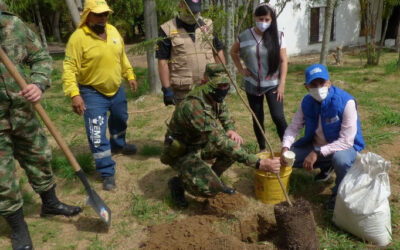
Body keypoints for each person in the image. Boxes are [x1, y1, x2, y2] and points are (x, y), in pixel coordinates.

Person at [0, 3, 82, 249]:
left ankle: (50, 203)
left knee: (40, 158)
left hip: (24, 113)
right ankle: (19, 228)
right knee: (3, 179)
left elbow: (41, 57)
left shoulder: (14, 25)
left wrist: (38, 83)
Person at [161, 63, 281, 208]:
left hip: (201, 143)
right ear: (206, 83)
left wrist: (231, 130)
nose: (223, 89)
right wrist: (259, 163)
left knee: (235, 145)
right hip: (182, 151)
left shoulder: (215, 97)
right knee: (209, 189)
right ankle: (178, 184)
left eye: (226, 85)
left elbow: (225, 117)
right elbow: (220, 141)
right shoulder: (194, 106)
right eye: (220, 85)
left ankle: (212, 176)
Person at [62, 0, 138, 191]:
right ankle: (107, 172)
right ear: (87, 15)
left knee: (121, 119)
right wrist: (74, 94)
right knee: (96, 133)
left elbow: (122, 57)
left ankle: (118, 144)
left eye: (105, 14)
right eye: (98, 14)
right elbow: (69, 68)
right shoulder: (78, 38)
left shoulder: (113, 31)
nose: (103, 18)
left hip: (116, 88)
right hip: (91, 92)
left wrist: (129, 75)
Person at [280, 64, 365, 210]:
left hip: (344, 148)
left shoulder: (346, 102)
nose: (319, 88)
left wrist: (317, 152)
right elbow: (294, 128)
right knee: (290, 157)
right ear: (307, 87)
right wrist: (285, 147)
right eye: (314, 84)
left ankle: (339, 194)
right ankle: (326, 165)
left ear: (329, 82)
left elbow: (346, 140)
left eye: (322, 83)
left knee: (341, 160)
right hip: (316, 146)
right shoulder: (306, 102)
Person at [230, 2, 287, 152]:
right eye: (260, 19)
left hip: (273, 84)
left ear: (272, 20)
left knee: (278, 117)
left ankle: (287, 147)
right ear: (255, 18)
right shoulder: (244, 36)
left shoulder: (278, 36)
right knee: (257, 117)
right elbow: (233, 52)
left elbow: (283, 60)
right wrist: (241, 69)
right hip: (252, 84)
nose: (263, 22)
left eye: (267, 19)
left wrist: (281, 85)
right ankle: (262, 148)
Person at [156, 0, 226, 105]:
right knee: (187, 121)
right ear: (180, 5)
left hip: (209, 87)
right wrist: (167, 89)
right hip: (184, 91)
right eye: (190, 11)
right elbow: (163, 60)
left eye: (196, 11)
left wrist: (222, 79)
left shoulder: (208, 25)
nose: (193, 15)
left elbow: (218, 52)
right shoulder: (167, 29)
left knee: (209, 120)